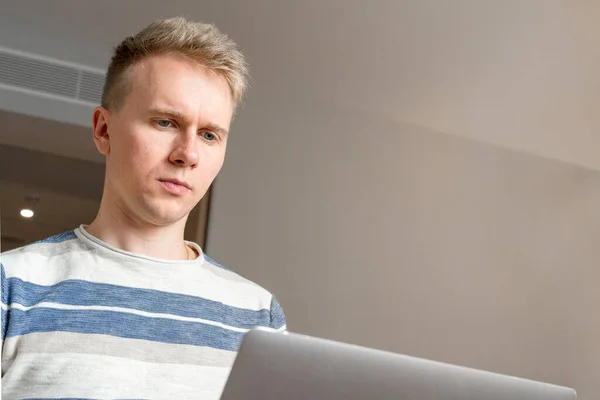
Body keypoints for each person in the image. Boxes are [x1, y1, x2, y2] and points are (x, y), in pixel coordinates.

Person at [0, 17, 286, 400]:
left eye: (209, 135)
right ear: (104, 130)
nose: (187, 154)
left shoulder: (260, 317)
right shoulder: (11, 286)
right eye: (165, 122)